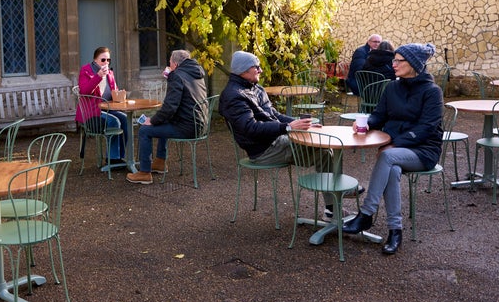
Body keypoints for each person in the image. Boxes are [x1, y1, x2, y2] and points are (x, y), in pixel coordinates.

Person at [218, 51, 361, 219]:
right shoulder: (233, 96)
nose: (261, 70)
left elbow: (274, 114)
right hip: (263, 151)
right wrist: (287, 127)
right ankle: (339, 191)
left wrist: (301, 124)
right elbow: (250, 128)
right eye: (256, 67)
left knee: (325, 150)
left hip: (276, 142)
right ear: (243, 70)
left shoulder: (255, 88)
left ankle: (332, 209)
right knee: (323, 145)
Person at [342, 43, 443, 255]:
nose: (393, 64)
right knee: (392, 168)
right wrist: (368, 123)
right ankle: (395, 230)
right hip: (395, 151)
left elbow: (426, 129)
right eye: (393, 60)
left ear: (414, 64)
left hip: (424, 150)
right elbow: (380, 115)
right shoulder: (392, 87)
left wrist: (395, 144)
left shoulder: (432, 92)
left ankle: (366, 214)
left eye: (398, 61)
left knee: (387, 157)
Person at [127, 50, 207, 185]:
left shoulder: (177, 76)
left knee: (145, 130)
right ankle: (159, 162)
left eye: (170, 62)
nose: (168, 64)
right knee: (164, 120)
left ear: (175, 64)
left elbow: (170, 107)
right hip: (200, 125)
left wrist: (151, 121)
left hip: (187, 127)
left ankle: (145, 173)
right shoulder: (195, 74)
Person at [76, 47, 127, 166]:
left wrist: (119, 94)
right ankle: (112, 159)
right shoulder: (86, 71)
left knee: (124, 119)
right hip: (92, 111)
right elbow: (84, 91)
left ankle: (120, 156)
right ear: (95, 60)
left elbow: (114, 89)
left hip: (108, 108)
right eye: (103, 60)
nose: (106, 63)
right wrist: (98, 76)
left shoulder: (109, 73)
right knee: (114, 121)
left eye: (108, 60)